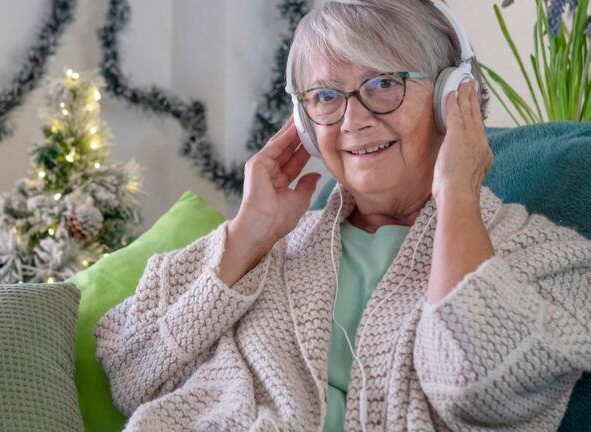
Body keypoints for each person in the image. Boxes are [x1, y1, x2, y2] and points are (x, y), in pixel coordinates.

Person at [94, 1, 591, 430]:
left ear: (451, 99)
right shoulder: (268, 248)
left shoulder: (547, 257)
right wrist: (250, 233)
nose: (353, 120)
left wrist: (457, 194)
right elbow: (131, 371)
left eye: (382, 84)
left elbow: (481, 390)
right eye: (326, 97)